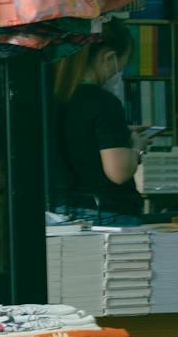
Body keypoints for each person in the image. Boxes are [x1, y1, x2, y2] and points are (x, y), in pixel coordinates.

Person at [50, 22, 146, 223]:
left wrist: (119, 134)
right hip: (107, 213)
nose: (118, 73)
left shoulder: (55, 98)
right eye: (122, 65)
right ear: (108, 57)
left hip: (63, 210)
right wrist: (136, 149)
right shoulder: (104, 102)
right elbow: (118, 172)